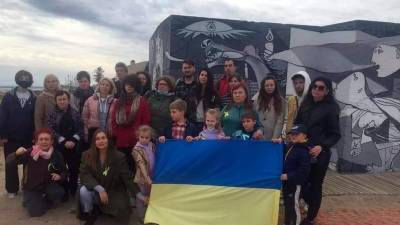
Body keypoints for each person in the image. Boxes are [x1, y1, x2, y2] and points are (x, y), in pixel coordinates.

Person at [294, 77, 341, 225]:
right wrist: (295, 137)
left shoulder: (331, 109)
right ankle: (308, 206)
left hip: (319, 153)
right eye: (315, 86)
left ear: (327, 91)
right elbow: (297, 124)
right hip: (302, 151)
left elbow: (335, 134)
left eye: (321, 88)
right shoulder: (306, 104)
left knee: (315, 185)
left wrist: (322, 146)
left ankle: (311, 218)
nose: (316, 90)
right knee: (301, 182)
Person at [78, 129, 137, 225]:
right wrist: (100, 189)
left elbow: (127, 177)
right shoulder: (86, 155)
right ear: (94, 142)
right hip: (96, 189)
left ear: (108, 139)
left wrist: (138, 194)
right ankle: (90, 213)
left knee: (122, 210)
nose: (100, 141)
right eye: (97, 139)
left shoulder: (119, 156)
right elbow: (84, 174)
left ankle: (105, 208)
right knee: (83, 190)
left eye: (103, 138)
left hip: (114, 189)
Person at [6, 128, 67, 217]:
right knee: (36, 213)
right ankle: (31, 200)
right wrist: (16, 154)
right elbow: (9, 162)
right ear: (36, 141)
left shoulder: (56, 154)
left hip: (48, 183)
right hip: (31, 186)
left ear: (52, 141)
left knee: (58, 193)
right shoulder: (29, 152)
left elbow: (65, 171)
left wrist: (60, 176)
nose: (44, 142)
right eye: (41, 139)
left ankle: (39, 200)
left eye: (47, 139)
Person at [0, 70, 36, 198]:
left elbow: (35, 118)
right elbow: (2, 116)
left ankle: (27, 186)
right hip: (10, 137)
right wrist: (2, 135)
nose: (24, 79)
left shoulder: (33, 97)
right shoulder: (8, 96)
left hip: (28, 137)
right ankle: (12, 189)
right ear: (17, 79)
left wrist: (35, 136)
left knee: (29, 163)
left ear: (31, 80)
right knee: (10, 162)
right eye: (22, 77)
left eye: (27, 78)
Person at [111, 74, 151, 172]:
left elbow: (146, 120)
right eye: (127, 84)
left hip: (136, 140)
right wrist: (116, 134)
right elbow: (113, 120)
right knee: (122, 167)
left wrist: (142, 136)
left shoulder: (142, 101)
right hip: (121, 139)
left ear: (136, 86)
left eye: (132, 84)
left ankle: (134, 187)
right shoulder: (119, 101)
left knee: (135, 167)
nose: (129, 86)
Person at [48, 90, 83, 198]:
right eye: (60, 99)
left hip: (74, 145)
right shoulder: (52, 113)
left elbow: (81, 128)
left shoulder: (75, 112)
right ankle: (63, 191)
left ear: (68, 100)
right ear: (56, 101)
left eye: (64, 99)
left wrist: (73, 140)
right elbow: (51, 129)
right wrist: (63, 141)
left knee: (74, 168)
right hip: (59, 146)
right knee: (60, 168)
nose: (62, 101)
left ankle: (73, 190)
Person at [280, 124, 311, 225]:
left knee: (293, 207)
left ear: (304, 135)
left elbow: (304, 171)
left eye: (296, 134)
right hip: (287, 183)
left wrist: (288, 176)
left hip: (295, 185)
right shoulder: (291, 145)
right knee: (288, 206)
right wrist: (279, 143)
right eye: (292, 134)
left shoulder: (304, 151)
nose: (293, 136)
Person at [82, 77, 116, 144]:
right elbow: (84, 117)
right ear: (99, 86)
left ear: (111, 88)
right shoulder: (90, 100)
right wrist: (86, 131)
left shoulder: (115, 102)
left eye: (107, 85)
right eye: (102, 84)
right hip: (93, 132)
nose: (104, 87)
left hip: (109, 132)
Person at [132, 125, 156, 221]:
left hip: (152, 175)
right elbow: (140, 163)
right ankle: (141, 217)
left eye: (147, 138)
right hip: (142, 178)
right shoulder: (136, 149)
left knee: (151, 196)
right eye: (142, 137)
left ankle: (149, 214)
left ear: (150, 138)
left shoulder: (152, 145)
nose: (144, 140)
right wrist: (147, 177)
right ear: (138, 136)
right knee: (142, 196)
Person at [253, 76, 285, 140]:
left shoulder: (281, 101)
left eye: (271, 85)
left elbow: (280, 121)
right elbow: (254, 117)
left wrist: (275, 137)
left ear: (275, 86)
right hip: (258, 135)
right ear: (263, 87)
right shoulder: (257, 100)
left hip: (273, 137)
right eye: (267, 85)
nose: (269, 87)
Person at [285, 71, 311, 136]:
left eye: (301, 82)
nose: (298, 85)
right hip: (291, 136)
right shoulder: (291, 99)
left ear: (307, 82)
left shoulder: (312, 100)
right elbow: (288, 119)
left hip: (307, 137)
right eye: (295, 83)